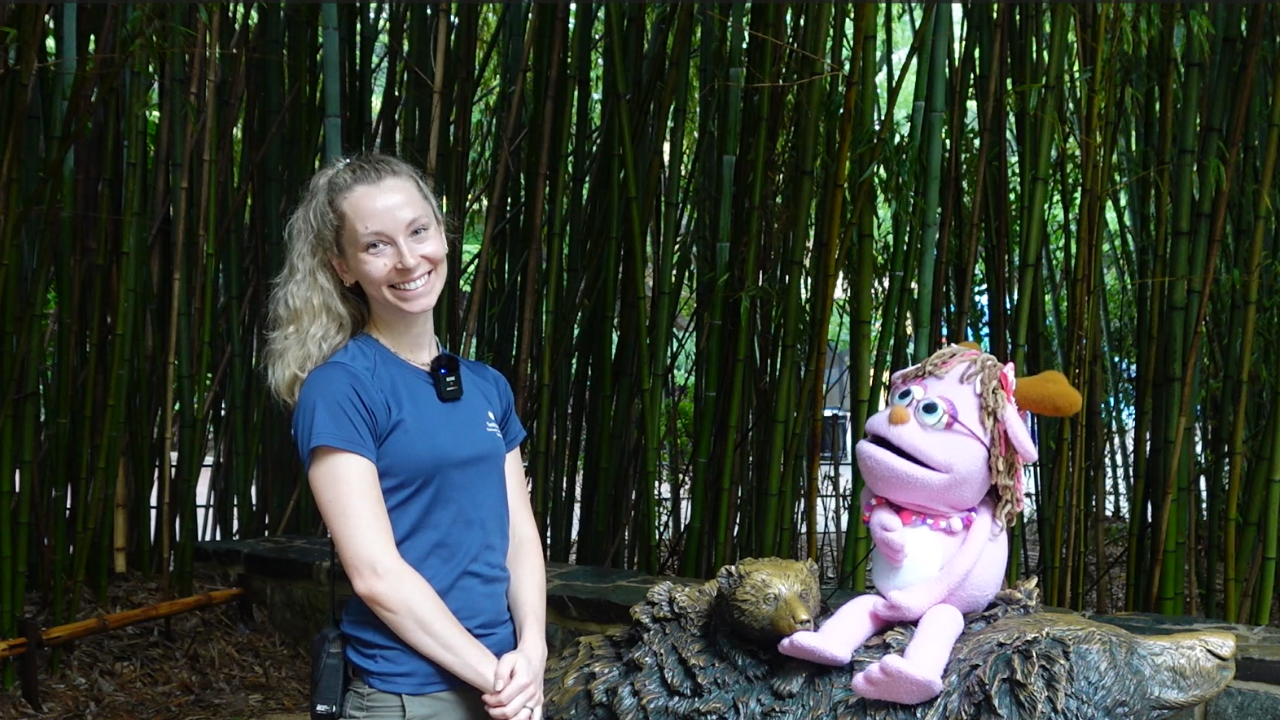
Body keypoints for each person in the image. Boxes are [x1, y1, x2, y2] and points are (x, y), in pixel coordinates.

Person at [264, 152, 547, 720]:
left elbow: (520, 534)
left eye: (419, 231)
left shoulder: (487, 385)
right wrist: (501, 681)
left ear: (443, 234)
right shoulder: (340, 388)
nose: (407, 258)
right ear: (342, 266)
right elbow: (374, 574)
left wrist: (534, 650)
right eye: (376, 244)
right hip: (408, 696)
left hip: (507, 678)